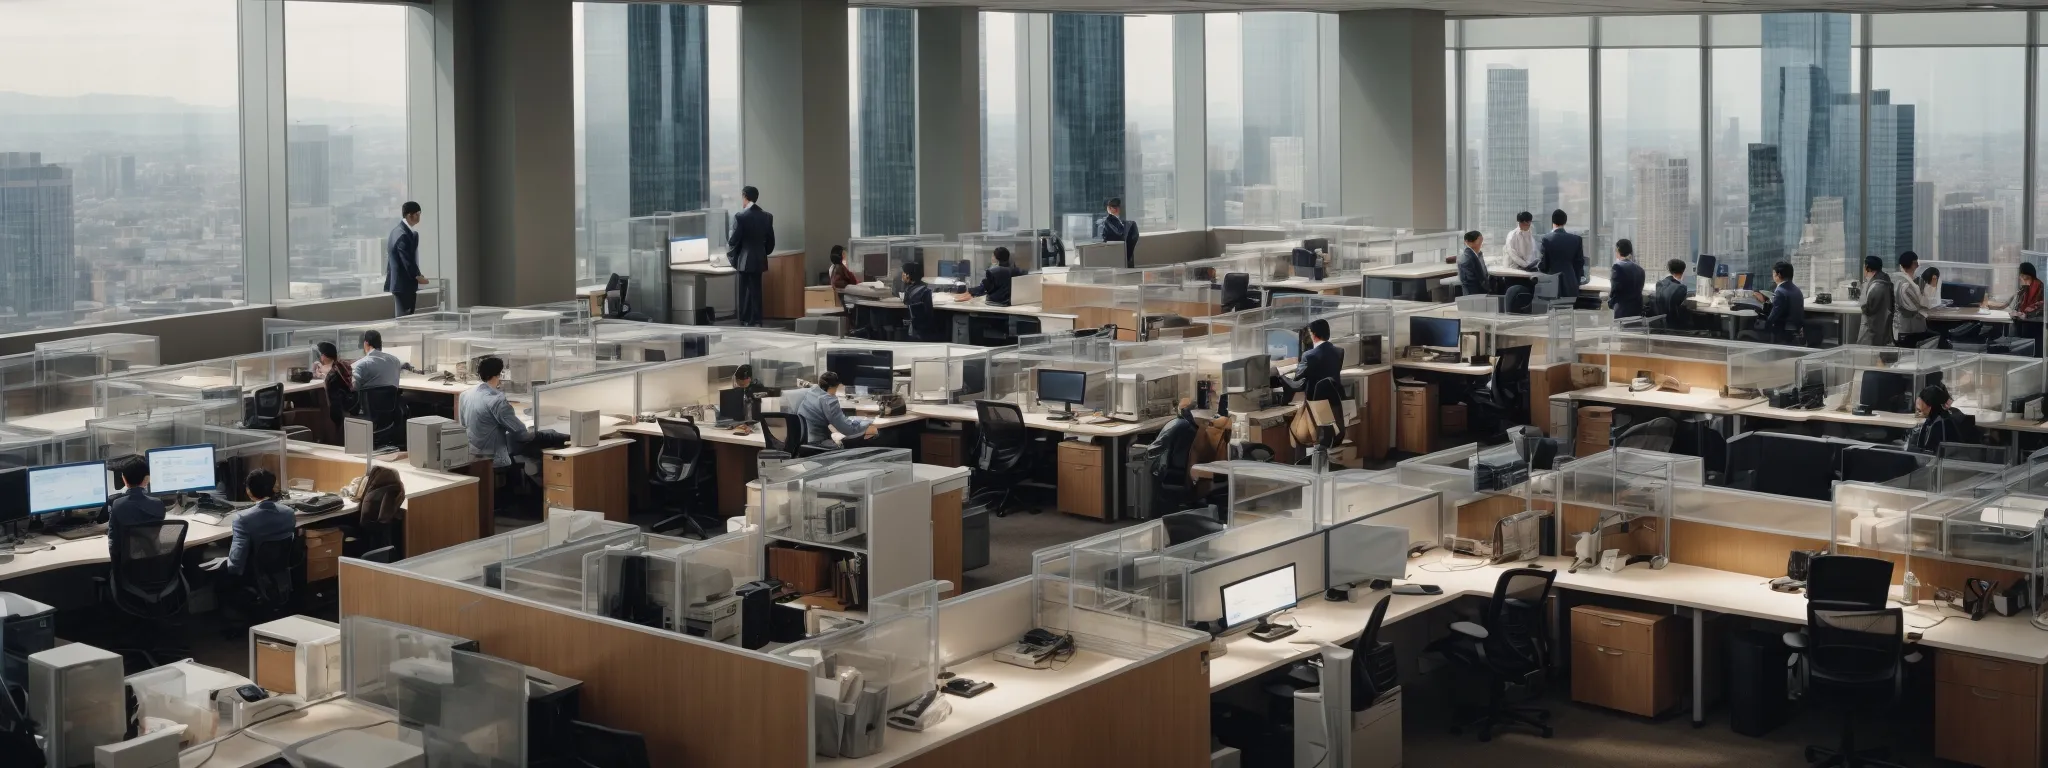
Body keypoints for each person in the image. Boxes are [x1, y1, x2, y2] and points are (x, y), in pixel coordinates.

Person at [460, 356, 536, 470]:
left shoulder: (465, 395)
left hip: (471, 455)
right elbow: (520, 432)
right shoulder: (497, 400)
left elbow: (463, 425)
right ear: (498, 375)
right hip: (494, 459)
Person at [223, 469, 296, 576]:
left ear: (248, 491)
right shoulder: (289, 513)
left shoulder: (242, 519)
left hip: (253, 575)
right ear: (273, 489)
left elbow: (235, 564)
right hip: (280, 573)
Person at [791, 371, 877, 450]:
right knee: (861, 442)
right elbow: (848, 430)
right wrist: (868, 422)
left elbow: (809, 385)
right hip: (817, 443)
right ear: (833, 386)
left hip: (800, 439)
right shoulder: (829, 401)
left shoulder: (812, 391)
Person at [727, 185, 775, 327]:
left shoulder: (740, 216)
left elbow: (733, 240)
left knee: (744, 291)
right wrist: (761, 251)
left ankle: (745, 319)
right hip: (759, 258)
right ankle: (757, 319)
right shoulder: (767, 216)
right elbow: (771, 242)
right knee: (756, 289)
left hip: (744, 259)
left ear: (745, 196)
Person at [1282, 319, 1346, 422]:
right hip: (1336, 402)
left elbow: (1298, 380)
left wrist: (1282, 377)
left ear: (1314, 335)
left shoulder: (1308, 355)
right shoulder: (1339, 352)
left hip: (1316, 405)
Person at [106, 456, 165, 552]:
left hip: (127, 564)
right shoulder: (158, 504)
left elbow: (112, 540)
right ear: (147, 479)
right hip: (154, 561)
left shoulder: (117, 504)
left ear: (124, 479)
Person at [1908, 385, 1979, 454]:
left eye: (1920, 410)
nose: (1917, 413)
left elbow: (1929, 453)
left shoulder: (1939, 425)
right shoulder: (1947, 414)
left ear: (1930, 407)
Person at [386, 201, 427, 317]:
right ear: (409, 215)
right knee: (405, 319)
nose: (419, 217)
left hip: (401, 284)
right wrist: (418, 276)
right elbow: (407, 260)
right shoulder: (402, 234)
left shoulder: (397, 231)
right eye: (417, 214)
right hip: (404, 285)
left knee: (405, 318)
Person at [1750, 261, 1805, 345]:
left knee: (1749, 327)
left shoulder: (1780, 291)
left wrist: (1766, 327)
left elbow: (1774, 315)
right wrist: (1766, 301)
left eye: (1773, 273)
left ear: (1778, 275)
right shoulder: (1797, 290)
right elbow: (1782, 306)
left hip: (1782, 331)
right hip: (1795, 328)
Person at [1537, 209, 1587, 299]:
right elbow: (1579, 263)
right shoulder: (1576, 239)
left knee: (1551, 310)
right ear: (1565, 221)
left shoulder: (1546, 239)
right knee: (1569, 310)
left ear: (1552, 221)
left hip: (1551, 283)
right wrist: (1576, 281)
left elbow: (1543, 265)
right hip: (1570, 283)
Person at [955, 246, 1025, 306]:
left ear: (996, 258)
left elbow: (983, 289)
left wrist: (967, 293)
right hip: (1010, 303)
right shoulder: (1016, 271)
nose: (991, 258)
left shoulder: (993, 272)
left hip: (995, 303)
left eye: (993, 256)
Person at [313, 341, 355, 434]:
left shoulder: (328, 369)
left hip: (334, 409)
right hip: (346, 405)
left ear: (323, 356)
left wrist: (318, 373)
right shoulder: (342, 365)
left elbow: (327, 373)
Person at [1854, 255, 1895, 347]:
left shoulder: (1877, 285)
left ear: (1867, 267)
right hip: (1882, 328)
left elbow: (1870, 309)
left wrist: (1863, 306)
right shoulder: (1883, 280)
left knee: (1869, 356)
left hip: (1873, 329)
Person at [1894, 251, 1932, 346]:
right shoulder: (1907, 284)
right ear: (1915, 264)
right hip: (1910, 327)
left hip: (1904, 326)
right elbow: (1919, 306)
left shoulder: (1898, 281)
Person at [901, 261, 942, 342]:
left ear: (908, 275)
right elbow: (929, 315)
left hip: (914, 331)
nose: (902, 275)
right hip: (922, 330)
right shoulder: (925, 290)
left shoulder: (909, 290)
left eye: (904, 273)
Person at [1607, 239, 1645, 320]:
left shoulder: (1617, 267)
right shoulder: (1640, 269)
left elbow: (1615, 289)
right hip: (1637, 309)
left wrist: (1610, 303)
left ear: (1617, 250)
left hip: (1622, 310)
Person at [1099, 197, 1139, 268]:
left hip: (1122, 250)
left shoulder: (1119, 220)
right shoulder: (1108, 221)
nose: (1117, 209)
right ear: (1109, 208)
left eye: (1117, 207)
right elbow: (1119, 234)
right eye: (1113, 207)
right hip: (1116, 251)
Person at [1653, 259, 1692, 329]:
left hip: (1661, 324)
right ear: (1683, 271)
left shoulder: (1660, 284)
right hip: (1675, 326)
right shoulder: (1681, 288)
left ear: (1669, 270)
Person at [1455, 230, 1490, 297]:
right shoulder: (1469, 258)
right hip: (1475, 295)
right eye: (1480, 241)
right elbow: (1479, 280)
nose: (1482, 243)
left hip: (1472, 293)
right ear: (1471, 242)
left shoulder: (1470, 254)